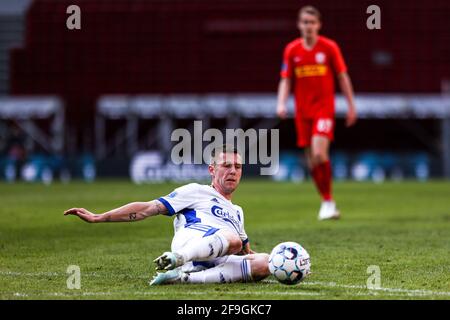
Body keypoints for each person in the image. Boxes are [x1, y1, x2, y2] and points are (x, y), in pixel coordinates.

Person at [64, 144, 270, 285]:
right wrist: (100, 217)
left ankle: (184, 278)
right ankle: (178, 259)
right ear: (212, 170)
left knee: (265, 263)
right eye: (226, 166)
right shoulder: (195, 191)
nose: (233, 171)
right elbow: (148, 208)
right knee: (232, 239)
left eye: (237, 166)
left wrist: (285, 263)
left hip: (217, 256)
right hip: (190, 242)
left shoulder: (237, 212)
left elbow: (245, 252)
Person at [276, 5, 357, 220]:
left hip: (323, 109)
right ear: (299, 25)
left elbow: (342, 77)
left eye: (312, 22)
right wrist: (281, 103)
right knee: (312, 161)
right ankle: (326, 202)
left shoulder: (329, 47)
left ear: (319, 25)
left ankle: (328, 200)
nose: (308, 26)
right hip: (302, 112)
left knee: (320, 153)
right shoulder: (292, 50)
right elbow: (286, 79)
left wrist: (351, 105)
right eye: (305, 22)